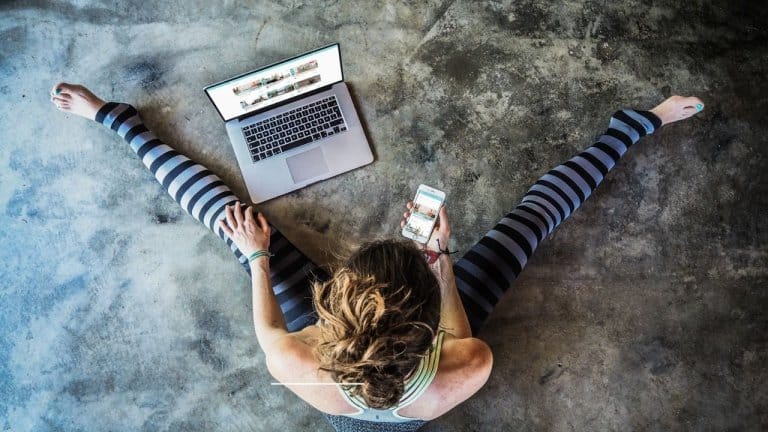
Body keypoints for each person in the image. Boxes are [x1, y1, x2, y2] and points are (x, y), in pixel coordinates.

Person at [50, 83, 703, 431]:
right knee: (532, 220)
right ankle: (634, 125)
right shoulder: (465, 362)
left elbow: (269, 326)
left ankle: (120, 121)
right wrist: (442, 264)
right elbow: (458, 335)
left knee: (231, 219)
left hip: (352, 355)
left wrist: (257, 258)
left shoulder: (297, 362)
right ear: (427, 324)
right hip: (415, 349)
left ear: (333, 298)